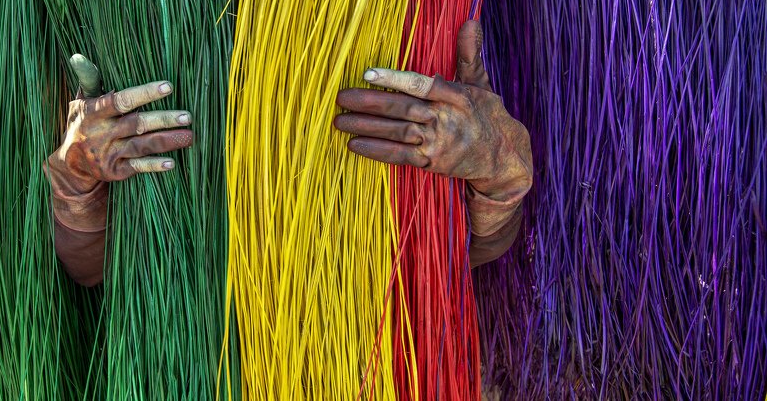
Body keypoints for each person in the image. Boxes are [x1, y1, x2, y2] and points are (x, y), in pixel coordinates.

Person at [46, 19, 532, 287]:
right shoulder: (154, 31)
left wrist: (497, 168)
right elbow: (89, 271)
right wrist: (77, 176)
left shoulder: (401, 22)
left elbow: (467, 258)